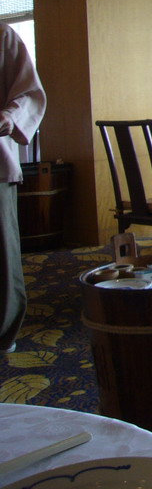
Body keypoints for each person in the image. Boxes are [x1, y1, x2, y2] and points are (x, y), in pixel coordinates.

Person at [0, 22, 46, 354]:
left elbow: (29, 92)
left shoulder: (2, 36)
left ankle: (3, 333)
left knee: (1, 255)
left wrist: (9, 117)